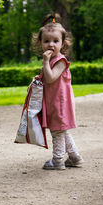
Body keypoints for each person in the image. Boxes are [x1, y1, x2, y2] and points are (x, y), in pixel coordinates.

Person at [32, 13, 84, 170]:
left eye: (55, 41)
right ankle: (75, 157)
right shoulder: (52, 61)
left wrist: (45, 63)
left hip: (59, 103)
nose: (50, 45)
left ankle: (57, 160)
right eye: (46, 41)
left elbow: (51, 78)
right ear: (40, 43)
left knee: (57, 132)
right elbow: (46, 78)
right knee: (61, 130)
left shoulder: (61, 61)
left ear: (63, 44)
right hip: (53, 102)